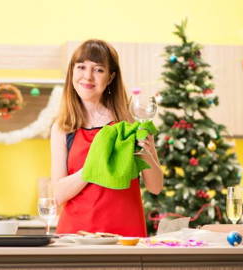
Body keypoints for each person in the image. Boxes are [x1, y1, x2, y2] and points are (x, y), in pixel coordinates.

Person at [51, 39, 163, 237]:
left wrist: (145, 151)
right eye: (81, 67)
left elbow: (155, 187)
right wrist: (94, 166)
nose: (88, 76)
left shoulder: (130, 122)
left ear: (111, 77)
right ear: (72, 73)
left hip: (126, 237)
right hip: (76, 238)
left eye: (98, 70)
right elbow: (57, 195)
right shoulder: (63, 128)